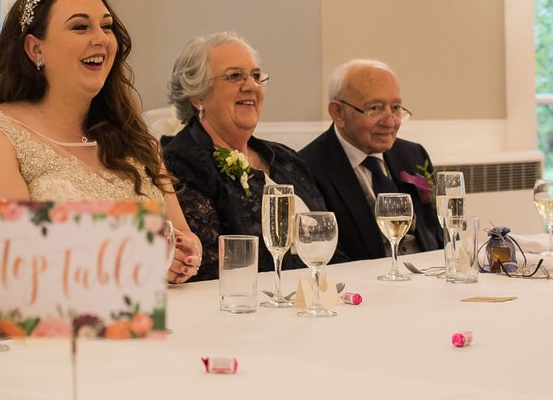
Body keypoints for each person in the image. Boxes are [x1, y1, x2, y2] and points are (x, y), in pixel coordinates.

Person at [0, 0, 202, 281]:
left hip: (166, 321)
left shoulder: (136, 139)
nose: (102, 39)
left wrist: (183, 255)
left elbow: (180, 235)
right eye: (80, 27)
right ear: (34, 49)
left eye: (106, 26)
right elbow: (3, 274)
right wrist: (142, 258)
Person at [161, 33, 332, 281]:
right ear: (198, 97)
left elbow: (333, 248)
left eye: (256, 75)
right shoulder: (181, 164)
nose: (251, 85)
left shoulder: (286, 159)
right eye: (234, 76)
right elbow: (207, 268)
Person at [298, 58, 444, 263]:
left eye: (396, 108)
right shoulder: (308, 168)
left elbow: (438, 235)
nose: (390, 121)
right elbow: (326, 259)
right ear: (338, 113)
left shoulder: (413, 155)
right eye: (374, 108)